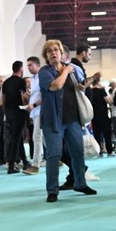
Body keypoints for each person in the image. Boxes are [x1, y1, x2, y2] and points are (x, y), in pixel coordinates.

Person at [38, 39, 96, 203]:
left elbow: (80, 86)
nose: (54, 52)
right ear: (46, 55)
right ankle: (52, 191)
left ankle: (80, 183)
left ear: (62, 53)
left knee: (78, 152)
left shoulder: (72, 71)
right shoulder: (45, 72)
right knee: (54, 155)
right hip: (53, 121)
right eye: (50, 51)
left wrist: (82, 85)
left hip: (72, 119)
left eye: (56, 50)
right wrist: (66, 70)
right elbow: (55, 86)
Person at [1, 61, 30, 173]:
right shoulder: (21, 81)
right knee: (16, 139)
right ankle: (11, 165)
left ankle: (25, 161)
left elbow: (3, 99)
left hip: (9, 112)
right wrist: (27, 103)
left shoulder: (6, 82)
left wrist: (6, 112)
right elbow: (22, 98)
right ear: (20, 69)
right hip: (19, 112)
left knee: (16, 137)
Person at [87, 72, 113, 157]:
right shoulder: (102, 91)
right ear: (99, 81)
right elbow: (109, 101)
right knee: (107, 134)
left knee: (97, 134)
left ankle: (99, 152)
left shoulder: (89, 91)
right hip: (103, 115)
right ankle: (109, 151)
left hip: (94, 116)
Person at [25, 56, 44, 174]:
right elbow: (37, 94)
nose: (28, 68)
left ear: (37, 65)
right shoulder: (33, 79)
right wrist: (29, 97)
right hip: (35, 111)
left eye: (30, 65)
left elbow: (44, 95)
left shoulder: (42, 77)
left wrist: (34, 105)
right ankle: (58, 160)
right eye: (27, 66)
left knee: (36, 137)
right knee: (44, 138)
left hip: (41, 110)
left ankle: (35, 165)